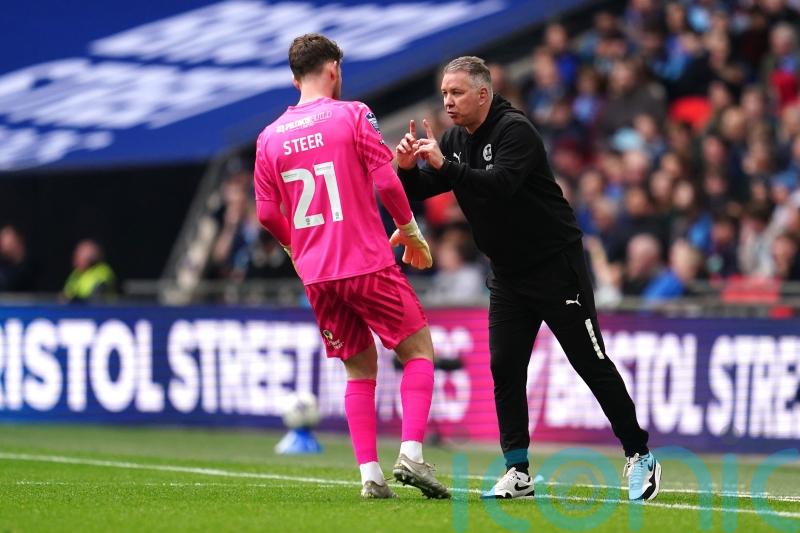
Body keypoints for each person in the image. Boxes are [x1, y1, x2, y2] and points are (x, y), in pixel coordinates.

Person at [396, 56, 661, 501]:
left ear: (484, 93)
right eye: (444, 93)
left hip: (556, 267)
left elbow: (499, 184)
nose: (448, 101)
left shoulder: (514, 130)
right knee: (505, 368)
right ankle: (517, 471)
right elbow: (421, 189)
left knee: (589, 363)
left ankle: (640, 454)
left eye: (456, 92)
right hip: (508, 275)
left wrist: (443, 167)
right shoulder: (457, 139)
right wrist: (406, 168)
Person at [253, 33, 449, 500]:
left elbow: (265, 213)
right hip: (364, 260)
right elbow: (386, 182)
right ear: (334, 68)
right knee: (418, 349)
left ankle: (370, 476)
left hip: (317, 274)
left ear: (294, 75)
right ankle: (413, 456)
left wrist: (296, 252)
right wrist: (411, 232)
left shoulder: (268, 138)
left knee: (359, 370)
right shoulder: (353, 115)